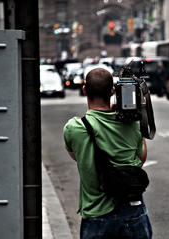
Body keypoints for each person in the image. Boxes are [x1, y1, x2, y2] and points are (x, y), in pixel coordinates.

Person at [63, 68, 152, 239]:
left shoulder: (74, 128)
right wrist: (135, 120)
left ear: (84, 90)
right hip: (132, 211)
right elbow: (140, 160)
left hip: (96, 216)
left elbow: (77, 156)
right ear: (112, 90)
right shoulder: (131, 124)